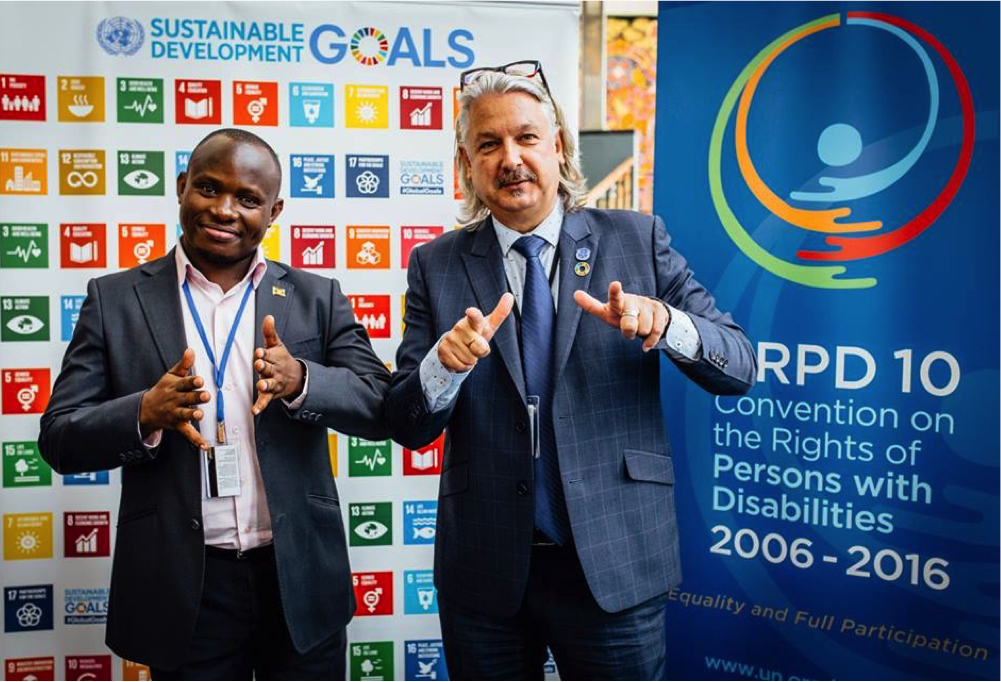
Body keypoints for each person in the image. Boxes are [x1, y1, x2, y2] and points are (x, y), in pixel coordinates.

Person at [384, 62, 756, 680]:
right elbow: (405, 421)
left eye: (527, 137)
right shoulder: (435, 265)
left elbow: (738, 364)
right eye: (488, 143)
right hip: (485, 570)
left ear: (557, 147)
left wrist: (667, 323)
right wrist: (439, 372)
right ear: (467, 165)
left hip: (614, 558)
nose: (511, 158)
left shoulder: (638, 240)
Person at [39, 128, 390, 680]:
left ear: (273, 212)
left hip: (297, 577)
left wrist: (303, 380)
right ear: (182, 187)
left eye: (248, 199)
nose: (225, 210)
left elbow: (379, 405)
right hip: (184, 588)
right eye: (208, 188)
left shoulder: (316, 296)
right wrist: (143, 414)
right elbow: (59, 437)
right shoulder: (115, 299)